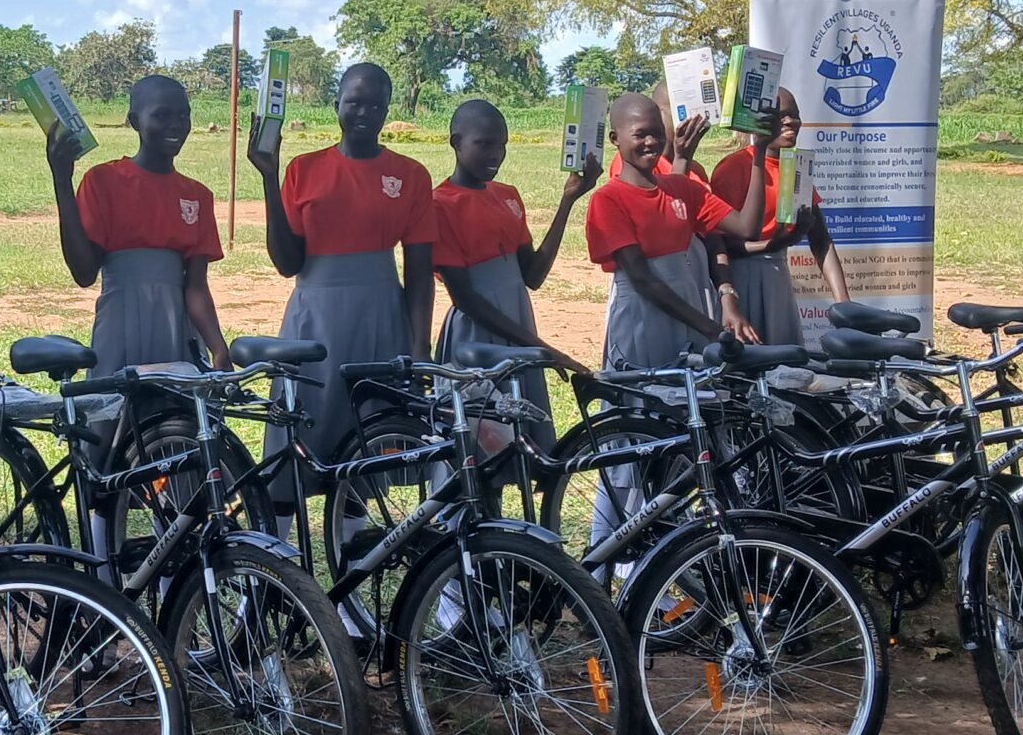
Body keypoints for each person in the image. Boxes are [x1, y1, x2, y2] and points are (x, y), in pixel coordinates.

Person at [249, 60, 435, 497]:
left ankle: (351, 548)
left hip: (379, 316)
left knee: (367, 432)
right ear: (336, 105)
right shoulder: (303, 169)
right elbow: (286, 263)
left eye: (376, 105)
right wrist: (269, 177)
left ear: (388, 112)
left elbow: (421, 273)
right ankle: (276, 551)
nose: (365, 113)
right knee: (298, 428)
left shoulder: (410, 175)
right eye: (355, 102)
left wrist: (417, 346)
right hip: (315, 316)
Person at [431, 98, 593, 446]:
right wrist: (537, 347)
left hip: (517, 325)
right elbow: (465, 298)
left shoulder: (507, 196)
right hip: (477, 335)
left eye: (501, 145)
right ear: (456, 143)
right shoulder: (441, 204)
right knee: (479, 445)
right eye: (484, 144)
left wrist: (568, 201)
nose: (495, 155)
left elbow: (531, 275)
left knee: (520, 448)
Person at [48, 73, 231, 374]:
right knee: (114, 412)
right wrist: (62, 182)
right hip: (119, 320)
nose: (176, 124)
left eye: (183, 115)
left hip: (176, 326)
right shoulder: (103, 181)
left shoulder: (197, 195)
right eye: (161, 115)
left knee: (175, 414)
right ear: (134, 121)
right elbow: (83, 273)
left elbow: (196, 287)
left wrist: (218, 346)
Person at [583, 92, 770, 372]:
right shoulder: (608, 199)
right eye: (640, 135)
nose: (651, 142)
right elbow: (642, 280)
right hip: (644, 315)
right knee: (644, 400)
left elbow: (747, 227)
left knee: (689, 399)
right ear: (614, 139)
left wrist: (760, 153)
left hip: (688, 307)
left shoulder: (681, 189)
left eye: (658, 133)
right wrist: (706, 325)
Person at [705, 86, 850, 343]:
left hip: (777, 276)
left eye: (794, 114)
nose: (790, 121)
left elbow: (821, 238)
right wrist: (772, 244)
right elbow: (720, 245)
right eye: (780, 115)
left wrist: (844, 305)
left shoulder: (796, 167)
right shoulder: (734, 168)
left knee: (786, 360)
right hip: (742, 279)